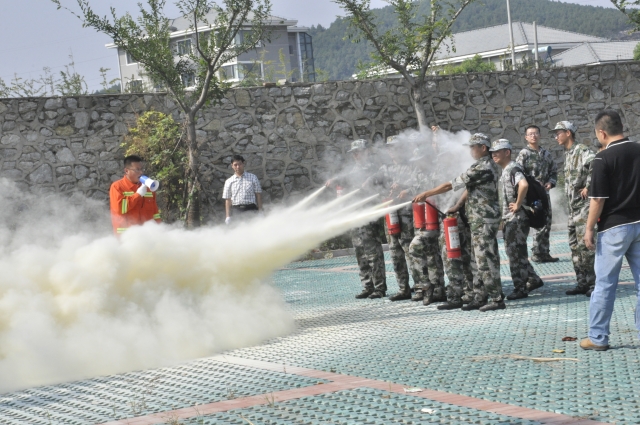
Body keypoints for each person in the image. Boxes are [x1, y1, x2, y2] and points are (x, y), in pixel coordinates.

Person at [414, 133, 504, 312]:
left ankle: (496, 298)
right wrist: (458, 205)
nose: (470, 151)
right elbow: (470, 188)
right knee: (477, 259)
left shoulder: (483, 167)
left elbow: (452, 184)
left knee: (486, 259)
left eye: (473, 147)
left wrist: (427, 194)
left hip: (483, 220)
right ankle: (480, 296)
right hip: (478, 219)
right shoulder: (484, 166)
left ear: (483, 148)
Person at [581, 110, 640, 351]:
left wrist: (588, 229)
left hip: (614, 227)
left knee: (605, 285)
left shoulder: (602, 158)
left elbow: (598, 199)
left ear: (601, 133)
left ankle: (598, 337)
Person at [326, 139, 387, 299]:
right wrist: (334, 181)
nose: (355, 155)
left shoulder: (374, 168)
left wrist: (370, 180)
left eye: (358, 152)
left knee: (373, 252)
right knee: (360, 251)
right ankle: (367, 286)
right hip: (355, 214)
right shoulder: (354, 169)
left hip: (368, 214)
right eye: (353, 153)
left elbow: (381, 179)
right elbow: (345, 178)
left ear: (366, 151)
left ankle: (379, 287)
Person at [490, 139, 544, 300]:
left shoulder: (513, 168)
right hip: (511, 219)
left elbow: (524, 184)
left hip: (517, 219)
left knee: (515, 254)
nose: (494, 155)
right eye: (492, 152)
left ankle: (520, 288)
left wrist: (518, 204)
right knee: (516, 252)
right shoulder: (507, 170)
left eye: (497, 152)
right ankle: (533, 278)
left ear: (507, 152)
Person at [366, 135, 415, 301]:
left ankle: (421, 287)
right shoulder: (385, 169)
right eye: (390, 148)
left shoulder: (411, 167)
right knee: (395, 253)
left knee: (410, 251)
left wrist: (404, 187)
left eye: (396, 147)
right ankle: (403, 289)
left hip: (406, 215)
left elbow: (419, 185)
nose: (393, 151)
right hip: (390, 216)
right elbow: (371, 182)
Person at [554, 121, 596, 296]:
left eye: (558, 133)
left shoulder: (581, 150)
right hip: (573, 209)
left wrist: (588, 186)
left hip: (583, 208)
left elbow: (595, 164)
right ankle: (582, 283)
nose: (556, 137)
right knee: (574, 247)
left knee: (586, 247)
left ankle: (593, 284)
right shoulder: (569, 153)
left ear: (568, 133)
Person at [407, 147, 446, 305]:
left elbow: (443, 190)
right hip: (422, 220)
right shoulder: (417, 174)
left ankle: (426, 286)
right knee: (431, 254)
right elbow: (413, 190)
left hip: (436, 218)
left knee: (415, 247)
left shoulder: (437, 173)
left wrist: (427, 194)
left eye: (420, 160)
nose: (418, 164)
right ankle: (438, 290)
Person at [516, 125, 559, 263]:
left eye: (536, 133)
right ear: (526, 137)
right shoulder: (524, 154)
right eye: (530, 134)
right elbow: (518, 173)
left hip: (544, 193)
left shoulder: (546, 154)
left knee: (547, 221)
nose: (533, 136)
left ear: (540, 135)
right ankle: (536, 253)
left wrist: (551, 182)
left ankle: (544, 252)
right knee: (538, 222)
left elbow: (554, 171)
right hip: (532, 194)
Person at [109, 155, 161, 235]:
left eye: (141, 169)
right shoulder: (117, 187)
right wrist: (138, 195)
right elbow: (120, 208)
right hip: (126, 236)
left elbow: (155, 214)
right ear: (126, 171)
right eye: (137, 169)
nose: (141, 172)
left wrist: (160, 230)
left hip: (147, 235)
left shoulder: (148, 188)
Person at [223, 155, 263, 224]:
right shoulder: (229, 181)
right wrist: (227, 216)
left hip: (251, 209)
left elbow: (258, 195)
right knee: (239, 230)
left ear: (243, 164)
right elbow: (228, 200)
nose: (238, 167)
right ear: (232, 166)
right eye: (235, 165)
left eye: (240, 164)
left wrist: (260, 211)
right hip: (237, 211)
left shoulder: (253, 178)